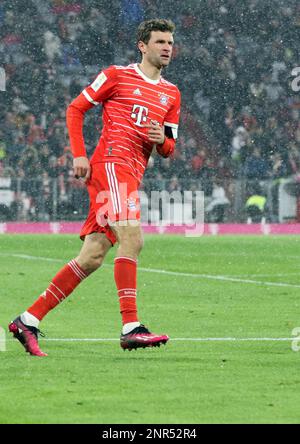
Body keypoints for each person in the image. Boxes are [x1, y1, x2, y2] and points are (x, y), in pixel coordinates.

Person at [8, 19, 181, 356]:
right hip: (111, 165)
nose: (167, 47)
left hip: (132, 172)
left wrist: (163, 141)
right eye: (160, 41)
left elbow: (170, 146)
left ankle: (28, 320)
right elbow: (76, 108)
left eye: (170, 42)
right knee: (133, 239)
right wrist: (79, 155)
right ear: (142, 45)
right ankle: (131, 326)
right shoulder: (116, 75)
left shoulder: (171, 93)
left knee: (92, 256)